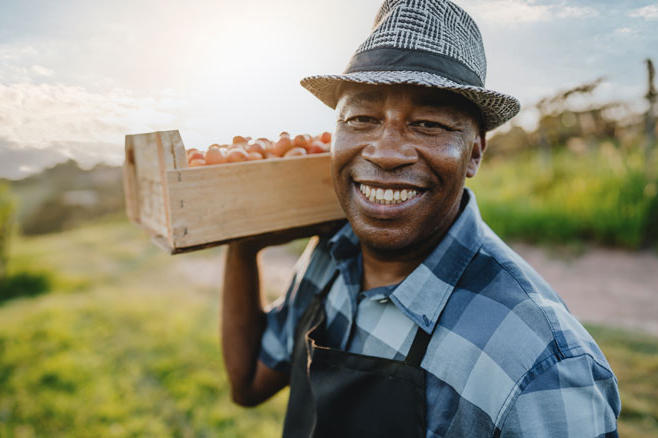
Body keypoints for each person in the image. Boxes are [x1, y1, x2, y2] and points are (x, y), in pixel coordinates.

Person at [221, 0, 621, 436]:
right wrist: (243, 240)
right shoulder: (331, 255)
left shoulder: (540, 364)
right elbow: (247, 384)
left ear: (475, 152)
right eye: (361, 118)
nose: (386, 151)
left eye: (429, 124)